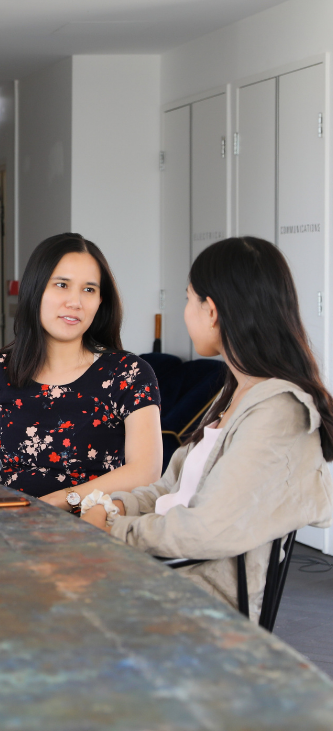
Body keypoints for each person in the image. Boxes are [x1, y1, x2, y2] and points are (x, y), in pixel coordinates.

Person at [75, 237, 333, 619]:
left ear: (210, 310)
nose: (186, 311)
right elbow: (170, 488)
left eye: (187, 299)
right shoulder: (236, 393)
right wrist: (116, 506)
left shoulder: (278, 411)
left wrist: (115, 529)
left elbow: (207, 529)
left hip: (196, 602)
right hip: (165, 573)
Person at [0, 232, 162, 499]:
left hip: (91, 525)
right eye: (62, 285)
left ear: (101, 301)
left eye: (89, 290)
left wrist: (61, 500)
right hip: (9, 522)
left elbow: (146, 471)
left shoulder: (128, 373)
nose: (75, 302)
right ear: (36, 288)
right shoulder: (1, 368)